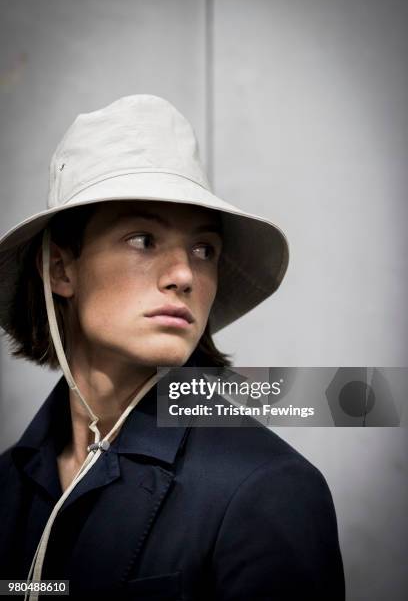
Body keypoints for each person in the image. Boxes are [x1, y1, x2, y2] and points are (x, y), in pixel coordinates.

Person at [0, 95, 345, 600]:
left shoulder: (269, 488)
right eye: (143, 239)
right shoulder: (8, 485)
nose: (185, 274)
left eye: (205, 249)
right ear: (61, 269)